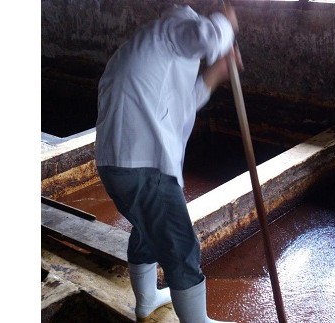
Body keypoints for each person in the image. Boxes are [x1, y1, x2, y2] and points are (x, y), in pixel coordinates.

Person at [94, 4, 241, 323]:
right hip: (142, 165)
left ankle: (146, 300)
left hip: (116, 166)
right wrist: (228, 24)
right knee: (182, 247)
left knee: (147, 231)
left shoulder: (150, 46)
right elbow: (208, 35)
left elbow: (183, 104)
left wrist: (214, 75)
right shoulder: (176, 26)